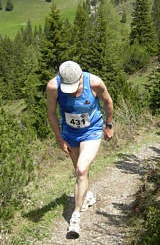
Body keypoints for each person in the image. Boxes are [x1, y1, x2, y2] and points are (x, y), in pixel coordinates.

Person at [46, 61, 114, 238]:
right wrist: (60, 139)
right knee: (78, 171)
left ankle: (75, 217)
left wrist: (109, 125)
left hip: (91, 130)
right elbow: (52, 113)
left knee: (82, 169)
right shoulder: (53, 87)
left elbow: (107, 101)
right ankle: (88, 195)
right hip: (70, 133)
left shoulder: (94, 83)